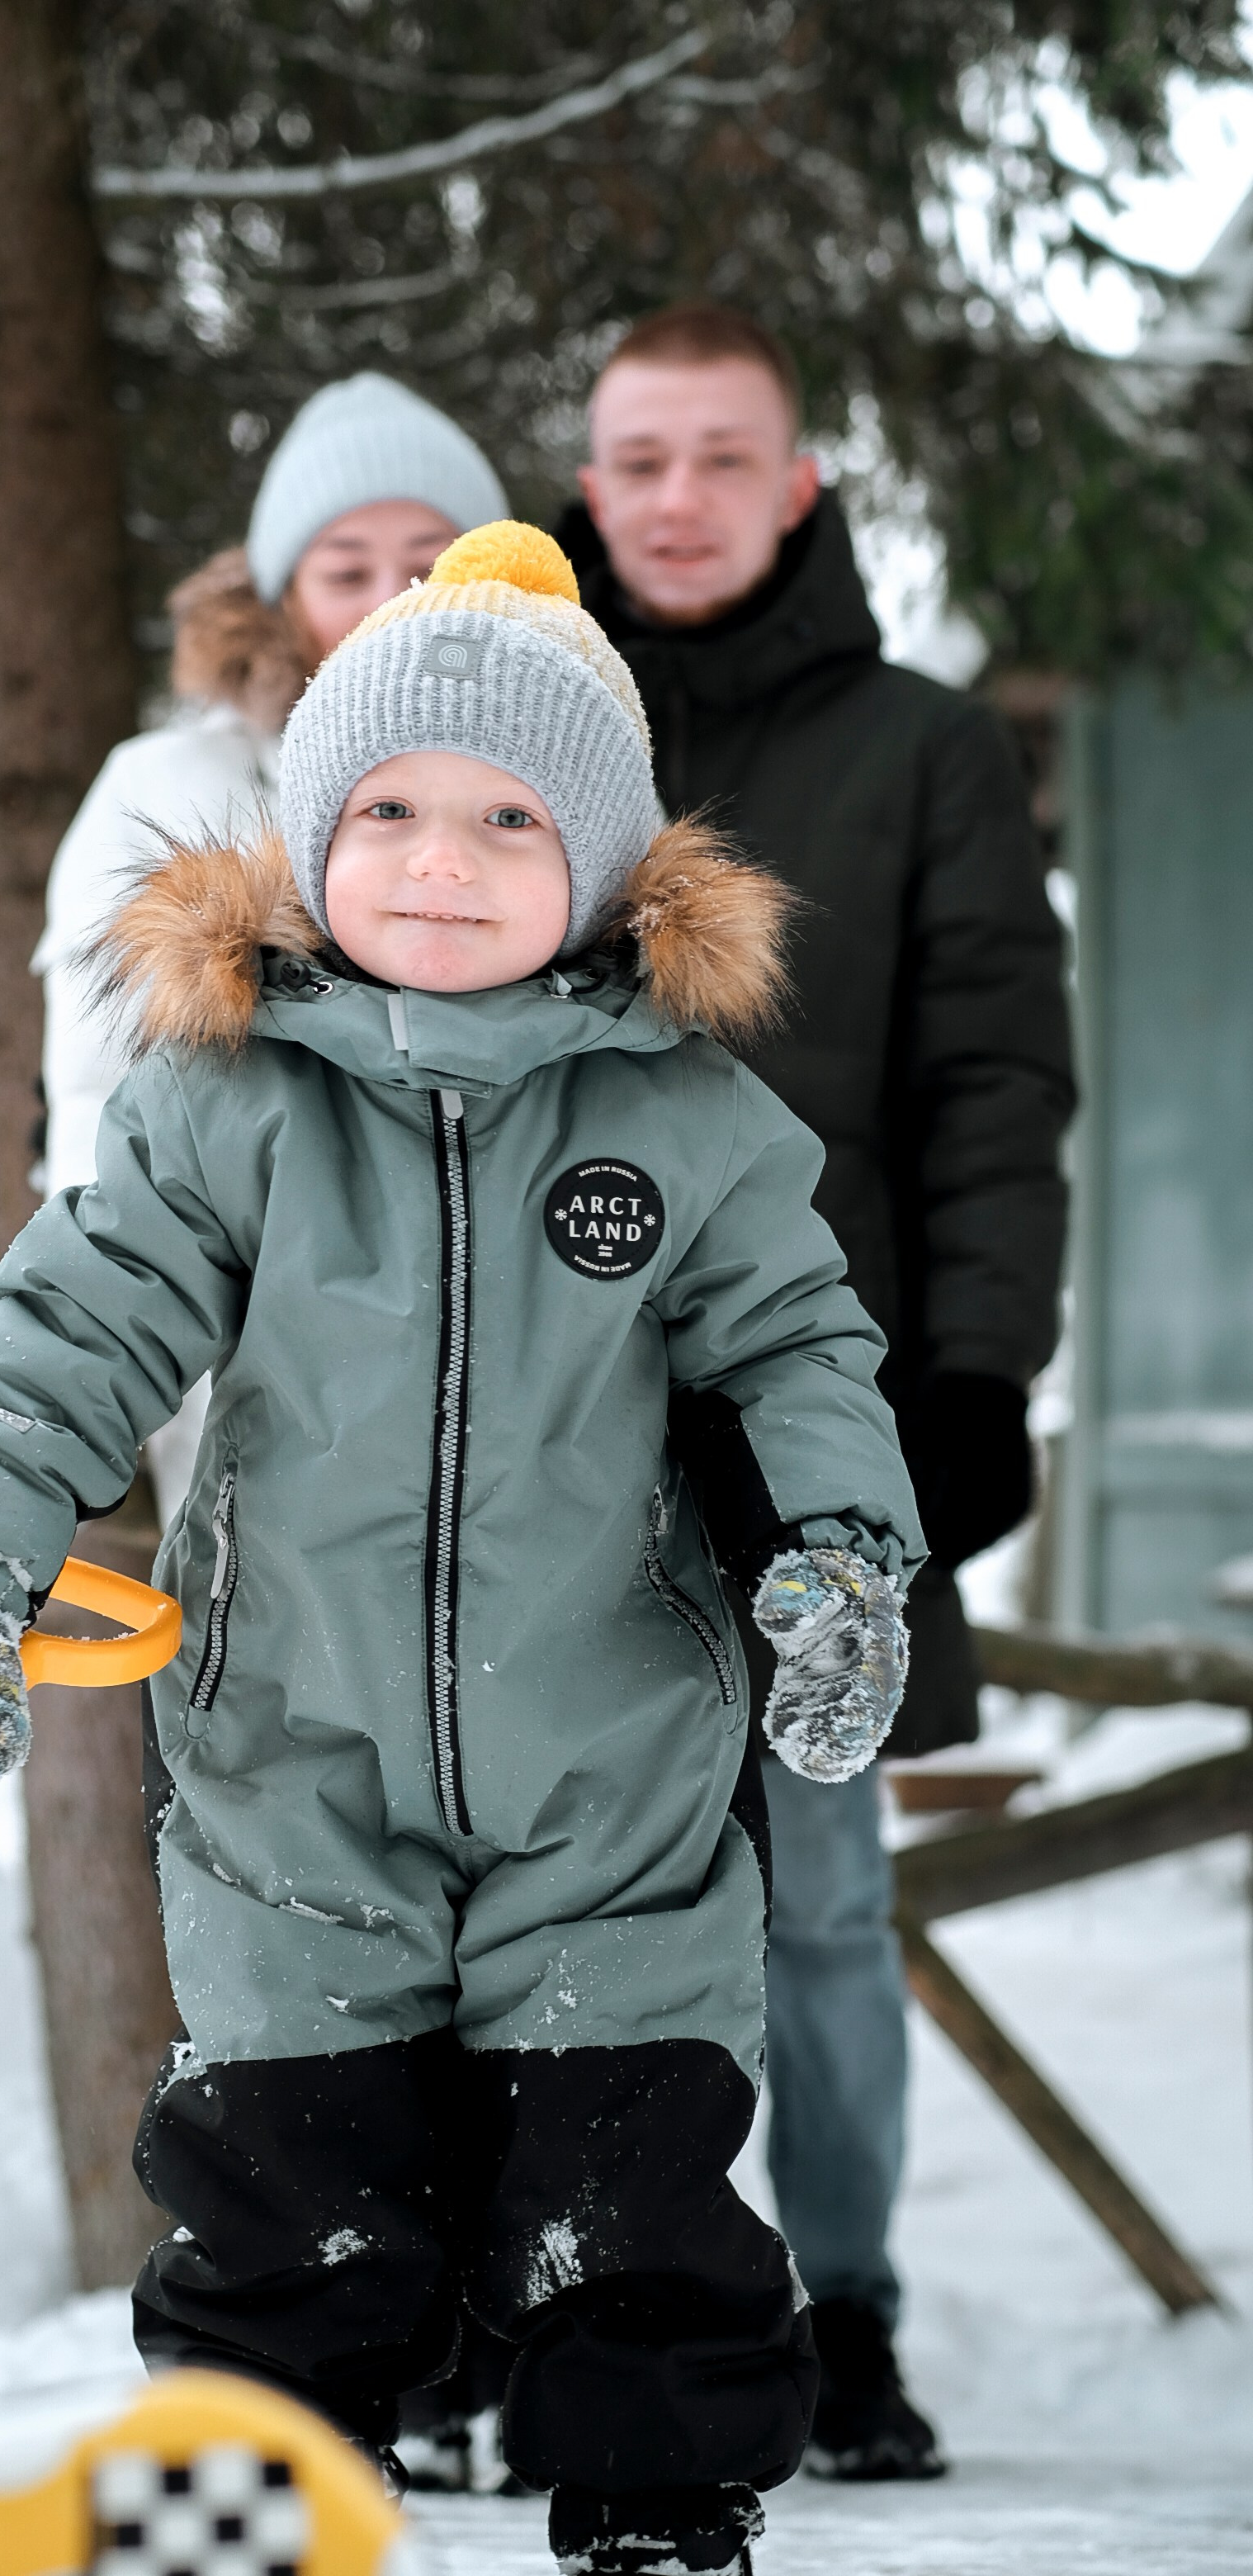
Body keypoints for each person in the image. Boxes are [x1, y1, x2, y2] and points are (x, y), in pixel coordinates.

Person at [0, 519, 926, 2576]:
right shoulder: (223, 1100)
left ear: (605, 867)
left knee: (633, 2208)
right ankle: (244, 2528)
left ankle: (652, 2528)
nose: (440, 858)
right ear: (308, 831)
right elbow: (63, 1338)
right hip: (290, 1767)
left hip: (607, 1766)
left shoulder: (681, 1122)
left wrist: (838, 1561)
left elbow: (798, 1347)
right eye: (390, 810)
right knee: (284, 2204)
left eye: (510, 819)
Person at [554, 303, 1075, 2479]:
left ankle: (842, 2313)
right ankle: (571, 2305)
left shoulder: (930, 749)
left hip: (817, 1437)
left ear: (802, 486)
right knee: (547, 1899)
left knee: (821, 1903)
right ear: (587, 486)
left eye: (721, 456)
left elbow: (995, 1091)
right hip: (539, 1428)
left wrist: (973, 1377)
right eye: (639, 459)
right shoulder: (511, 728)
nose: (676, 497)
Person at [34, 373, 504, 1523]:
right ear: (282, 597)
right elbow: (102, 1105)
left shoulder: (565, 787)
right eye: (346, 569)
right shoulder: (167, 793)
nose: (395, 595)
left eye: (431, 558)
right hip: (261, 1379)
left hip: (517, 1377)